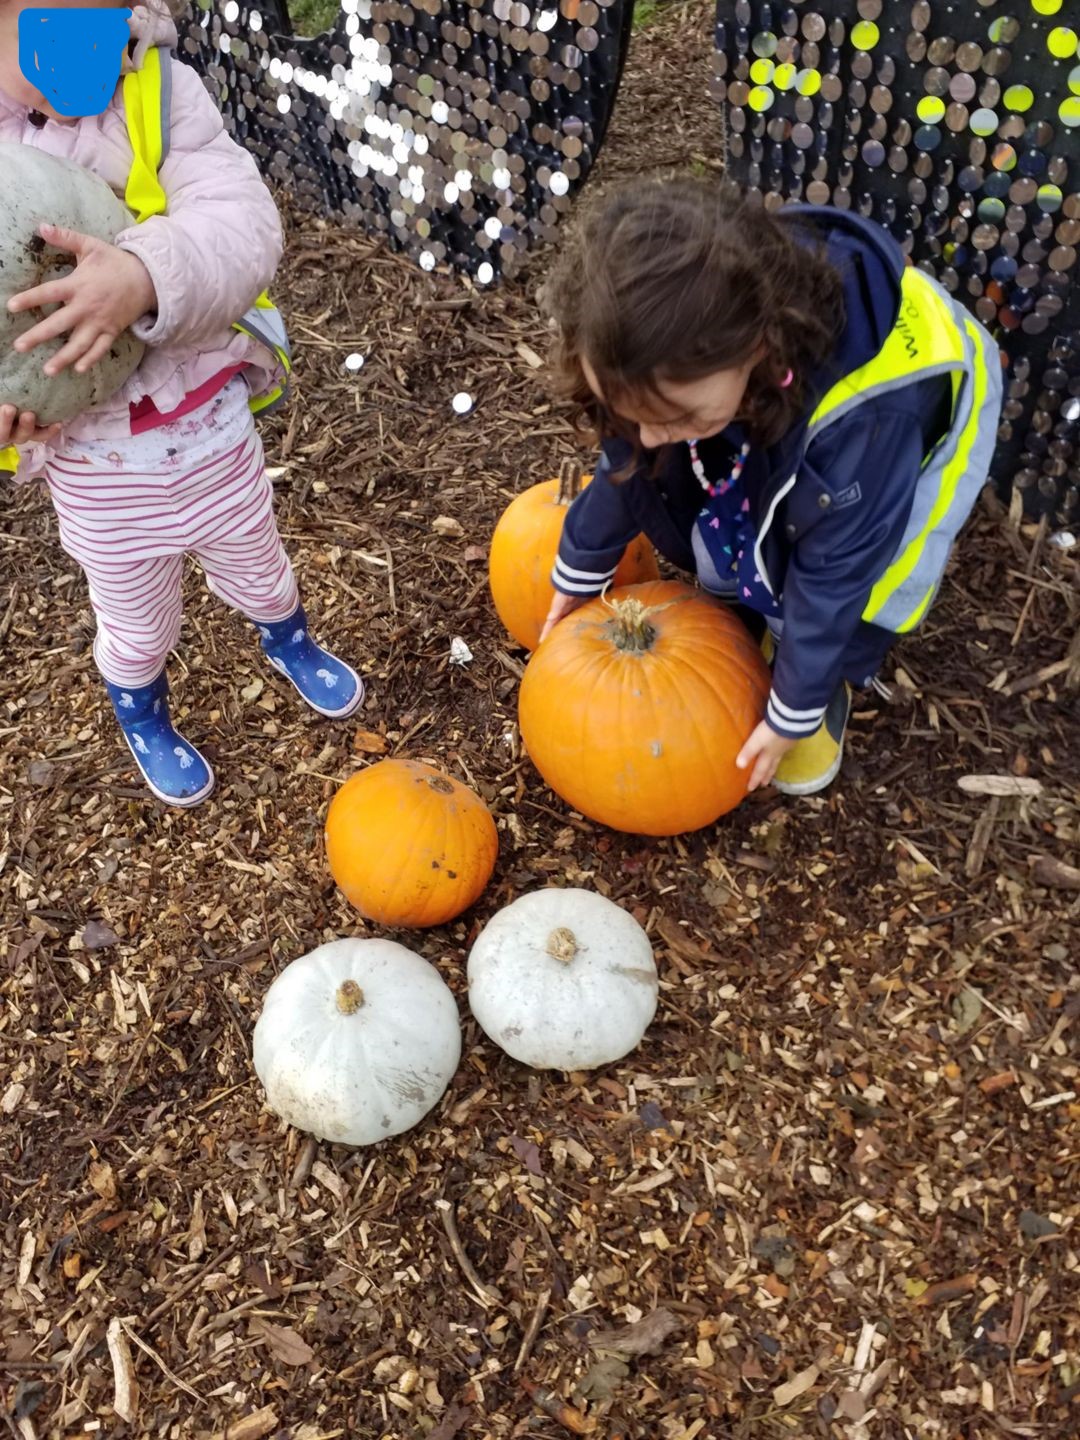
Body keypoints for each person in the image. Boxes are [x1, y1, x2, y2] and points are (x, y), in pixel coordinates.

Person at [0, 0, 362, 809]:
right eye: (47, 33)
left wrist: (143, 275)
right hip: (97, 469)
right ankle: (143, 712)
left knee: (260, 564)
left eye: (97, 26)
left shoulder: (161, 94)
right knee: (136, 625)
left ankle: (289, 638)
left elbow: (241, 222)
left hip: (205, 423)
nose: (83, 54)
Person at [539, 177, 1002, 796]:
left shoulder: (861, 427)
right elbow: (631, 459)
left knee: (859, 582)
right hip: (777, 408)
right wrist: (582, 565)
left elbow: (836, 570)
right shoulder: (671, 354)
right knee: (736, 504)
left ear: (755, 348)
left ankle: (822, 686)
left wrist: (792, 708)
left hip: (904, 438)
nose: (649, 436)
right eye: (633, 414)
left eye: (672, 417)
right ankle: (743, 611)